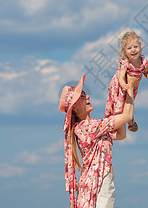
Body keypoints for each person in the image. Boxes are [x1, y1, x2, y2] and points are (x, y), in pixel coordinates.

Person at [59, 74, 139, 208]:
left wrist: (121, 106)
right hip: (100, 183)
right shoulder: (89, 127)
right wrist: (129, 87)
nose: (88, 97)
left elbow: (120, 134)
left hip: (95, 184)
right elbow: (127, 116)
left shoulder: (88, 129)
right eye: (82, 96)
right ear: (76, 108)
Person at [105, 31, 148, 132]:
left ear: (140, 48)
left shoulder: (143, 61)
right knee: (119, 104)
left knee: (129, 104)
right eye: (129, 48)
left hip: (133, 87)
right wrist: (124, 85)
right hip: (120, 87)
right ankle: (117, 122)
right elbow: (121, 77)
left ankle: (129, 119)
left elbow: (146, 72)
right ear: (125, 52)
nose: (133, 50)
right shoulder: (125, 63)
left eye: (136, 47)